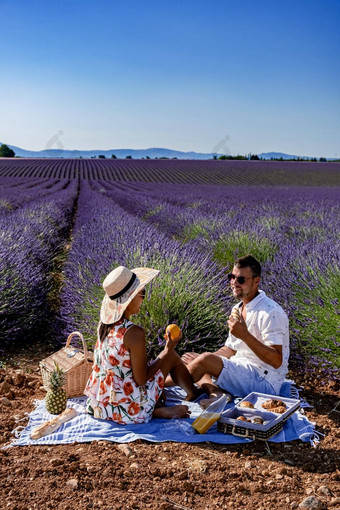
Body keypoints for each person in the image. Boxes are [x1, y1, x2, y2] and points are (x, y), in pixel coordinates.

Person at [84, 265, 197, 424]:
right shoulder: (134, 333)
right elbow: (142, 379)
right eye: (142, 293)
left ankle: (160, 404)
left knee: (161, 361)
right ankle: (190, 396)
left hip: (101, 407)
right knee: (170, 356)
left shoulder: (103, 326)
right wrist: (167, 349)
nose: (143, 299)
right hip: (129, 411)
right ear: (130, 299)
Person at [182, 254, 290, 406]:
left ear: (256, 281)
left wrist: (244, 335)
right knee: (195, 360)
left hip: (264, 381)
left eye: (240, 279)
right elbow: (230, 349)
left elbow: (277, 361)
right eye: (231, 277)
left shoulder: (271, 313)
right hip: (241, 367)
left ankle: (156, 388)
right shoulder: (238, 308)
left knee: (204, 361)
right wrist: (203, 360)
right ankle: (217, 393)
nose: (234, 283)